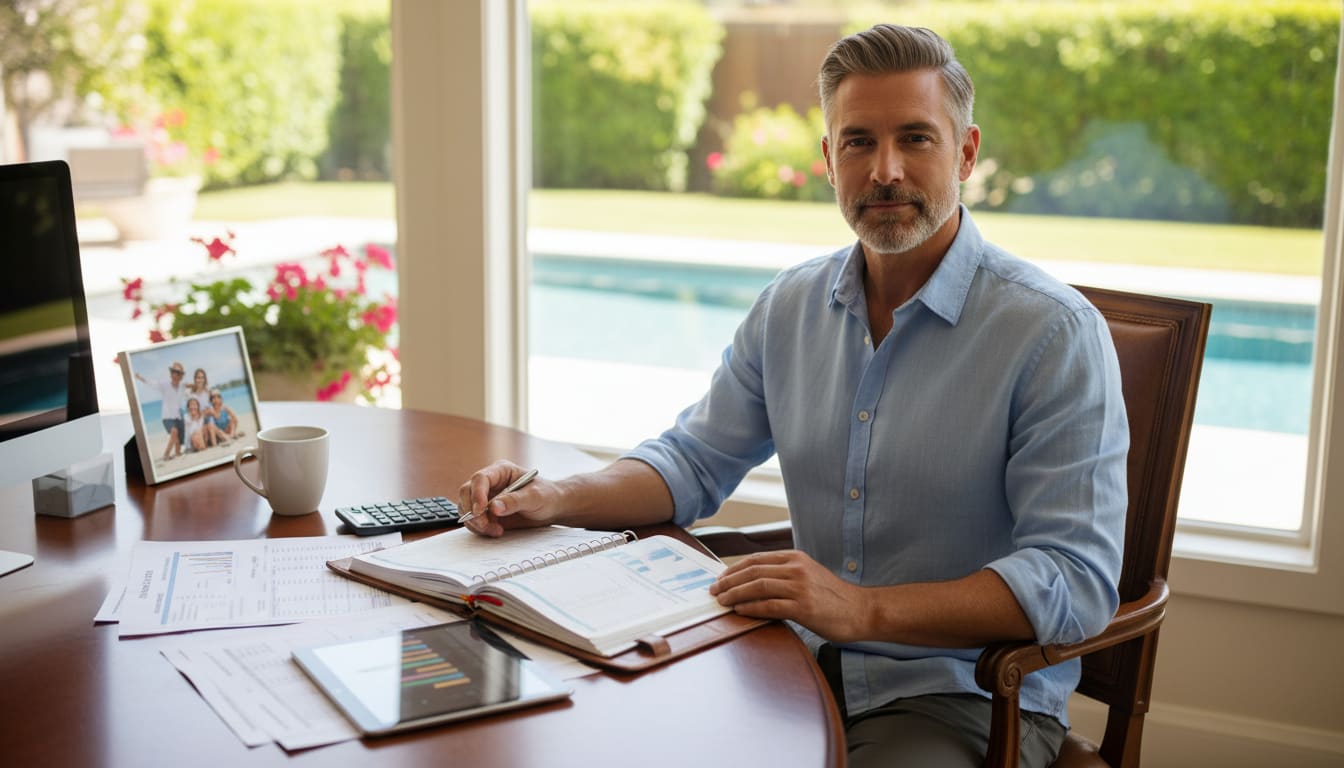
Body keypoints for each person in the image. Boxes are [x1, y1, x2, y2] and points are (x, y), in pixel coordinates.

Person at [458, 24, 1127, 768]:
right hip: (787, 662)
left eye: (916, 139)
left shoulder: (1053, 333)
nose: (885, 171)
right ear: (828, 160)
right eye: (858, 142)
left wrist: (860, 608)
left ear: (966, 152)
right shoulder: (790, 308)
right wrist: (555, 496)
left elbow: (1075, 579)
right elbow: (691, 463)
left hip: (960, 694)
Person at [135, 361, 188, 460]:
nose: (175, 374)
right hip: (167, 417)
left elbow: (189, 387)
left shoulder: (182, 386)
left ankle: (177, 454)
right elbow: (151, 383)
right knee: (174, 432)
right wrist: (140, 378)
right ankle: (166, 454)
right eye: (173, 372)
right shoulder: (165, 384)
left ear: (181, 376)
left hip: (178, 416)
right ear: (171, 373)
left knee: (178, 440)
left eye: (178, 373)